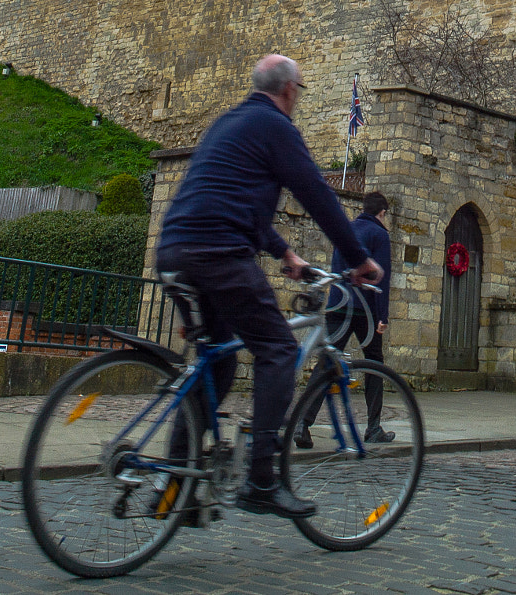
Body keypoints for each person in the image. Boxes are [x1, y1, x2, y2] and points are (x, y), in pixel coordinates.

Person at [155, 55, 382, 520]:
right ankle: (262, 479)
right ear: (289, 90)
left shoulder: (228, 123)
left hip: (176, 249)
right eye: (300, 88)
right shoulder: (277, 127)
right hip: (219, 255)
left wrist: (285, 254)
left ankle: (175, 487)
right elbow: (317, 195)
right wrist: (359, 260)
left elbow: (232, 200)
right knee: (278, 350)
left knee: (214, 364)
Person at [300, 191, 395, 447]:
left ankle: (302, 424)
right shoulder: (380, 235)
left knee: (325, 364)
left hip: (337, 305)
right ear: (382, 213)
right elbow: (381, 280)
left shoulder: (348, 230)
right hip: (365, 310)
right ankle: (373, 427)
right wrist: (382, 316)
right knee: (375, 365)